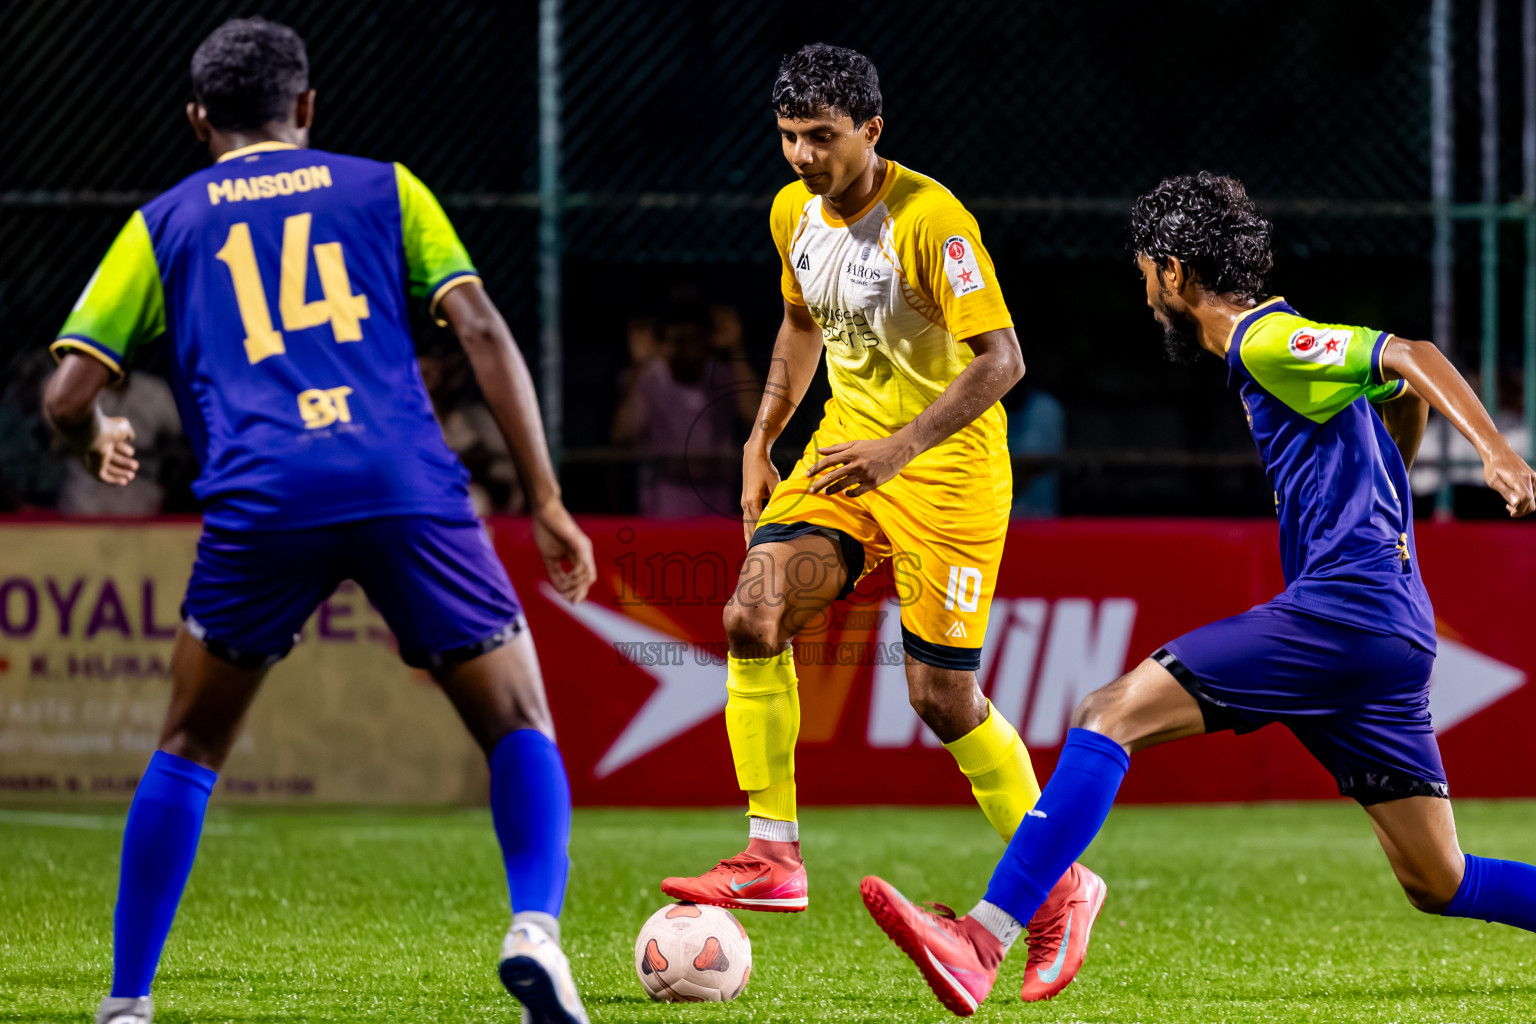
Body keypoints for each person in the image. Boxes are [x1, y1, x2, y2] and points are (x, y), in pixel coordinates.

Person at [859, 171, 1536, 1017]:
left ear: (1173, 271)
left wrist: (1496, 455)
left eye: (1146, 272)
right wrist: (1385, 484)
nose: (1144, 293)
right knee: (1440, 879)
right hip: (1392, 632)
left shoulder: (1264, 341)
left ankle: (985, 938)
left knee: (1109, 714)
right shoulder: (1283, 353)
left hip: (1343, 612)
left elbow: (1415, 358)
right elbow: (1397, 393)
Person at [40, 19, 596, 1024]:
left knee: (189, 744)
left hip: (263, 496)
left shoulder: (162, 221)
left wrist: (91, 441)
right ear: (306, 108)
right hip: (402, 480)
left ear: (198, 118)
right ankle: (534, 933)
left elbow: (68, 390)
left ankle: (126, 1006)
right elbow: (479, 328)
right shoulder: (386, 186)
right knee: (518, 718)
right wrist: (547, 498)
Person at [658, 43, 1104, 1002]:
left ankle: (1061, 888)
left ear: (872, 129)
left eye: (822, 137)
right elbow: (799, 322)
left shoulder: (929, 218)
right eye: (788, 138)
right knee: (750, 616)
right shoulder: (793, 213)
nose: (804, 156)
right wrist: (760, 436)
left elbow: (1002, 360)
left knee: (940, 701)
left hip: (947, 476)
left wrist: (900, 448)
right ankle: (771, 853)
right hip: (844, 456)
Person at [612, 296, 758, 518]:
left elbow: (756, 415)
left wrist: (736, 348)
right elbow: (623, 432)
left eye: (694, 340)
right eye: (679, 341)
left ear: (707, 340)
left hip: (717, 495)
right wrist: (640, 364)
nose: (688, 350)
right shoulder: (650, 375)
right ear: (665, 342)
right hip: (665, 497)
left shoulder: (723, 372)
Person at [56, 370, 182, 516]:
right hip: (83, 500)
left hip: (140, 499)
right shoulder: (72, 388)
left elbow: (179, 440)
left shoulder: (155, 392)